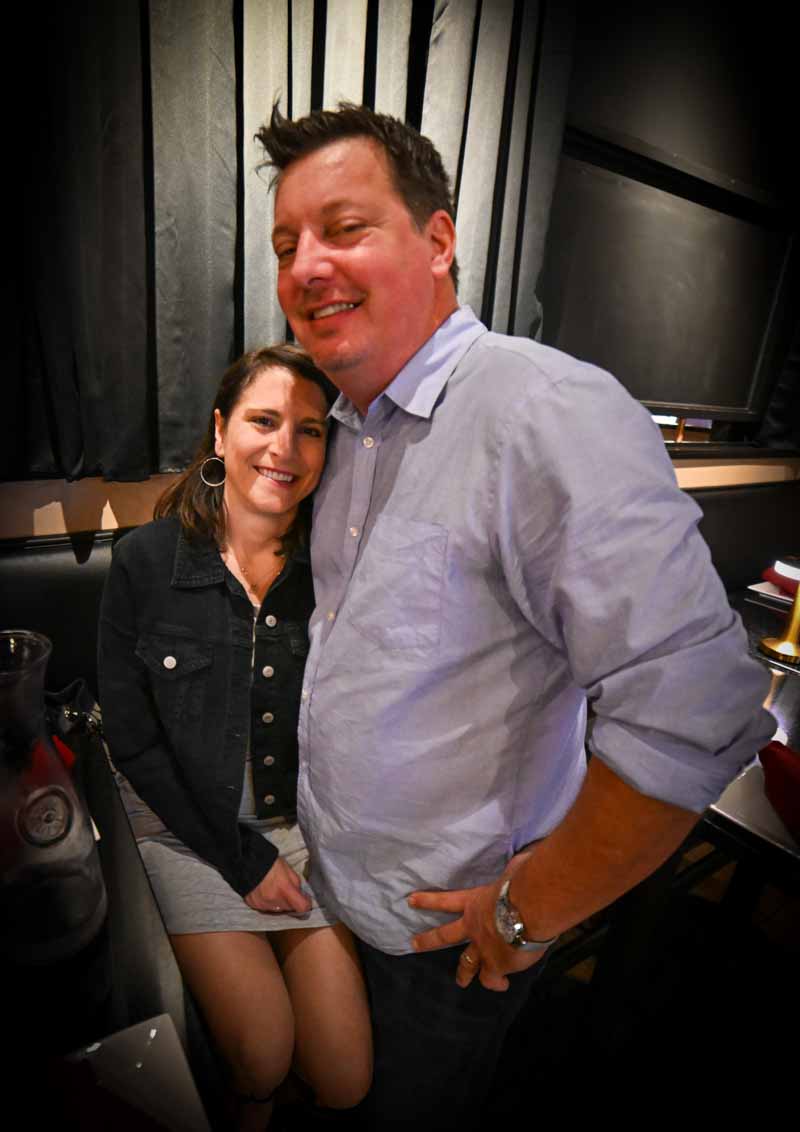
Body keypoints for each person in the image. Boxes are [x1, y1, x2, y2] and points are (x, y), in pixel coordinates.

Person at [254, 103, 776, 1129]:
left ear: (437, 240)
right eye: (284, 244)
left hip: (443, 939)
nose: (305, 266)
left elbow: (693, 713)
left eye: (344, 228)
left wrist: (522, 911)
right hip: (332, 884)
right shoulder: (344, 425)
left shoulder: (544, 412)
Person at [98, 345, 372, 1131]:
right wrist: (240, 858)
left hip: (296, 829)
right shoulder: (145, 562)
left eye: (310, 430)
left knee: (346, 1079)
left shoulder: (335, 571)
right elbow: (133, 743)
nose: (286, 448)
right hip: (181, 827)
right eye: (264, 420)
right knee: (263, 1049)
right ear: (221, 431)